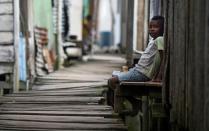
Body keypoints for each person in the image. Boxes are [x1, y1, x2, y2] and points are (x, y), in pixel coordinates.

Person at [107, 16, 165, 114]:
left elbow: (163, 59)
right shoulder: (152, 40)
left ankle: (134, 103)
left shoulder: (160, 39)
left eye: (155, 27)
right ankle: (134, 102)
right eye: (150, 26)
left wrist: (158, 76)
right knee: (114, 76)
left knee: (112, 81)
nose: (151, 29)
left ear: (162, 28)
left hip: (142, 74)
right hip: (138, 71)